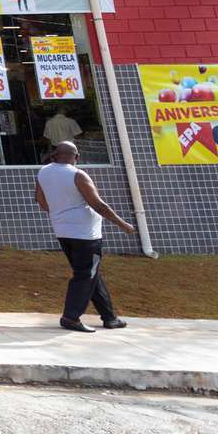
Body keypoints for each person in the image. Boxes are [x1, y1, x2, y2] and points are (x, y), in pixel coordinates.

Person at [34, 141, 135, 332]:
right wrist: (123, 224)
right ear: (76, 156)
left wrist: (58, 214)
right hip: (85, 235)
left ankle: (110, 317)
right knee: (85, 274)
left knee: (89, 273)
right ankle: (71, 317)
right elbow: (98, 205)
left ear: (56, 154)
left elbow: (39, 198)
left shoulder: (44, 172)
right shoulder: (78, 175)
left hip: (63, 231)